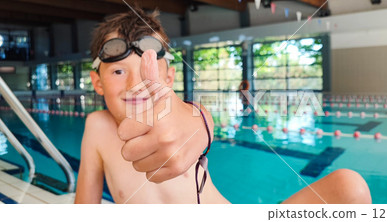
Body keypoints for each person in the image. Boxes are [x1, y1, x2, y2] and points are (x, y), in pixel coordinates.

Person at [75, 7, 371, 204]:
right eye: (118, 71)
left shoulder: (178, 114)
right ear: (97, 82)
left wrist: (200, 126)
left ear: (169, 77)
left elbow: (198, 120)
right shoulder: (97, 127)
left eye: (146, 70)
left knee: (349, 186)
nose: (134, 84)